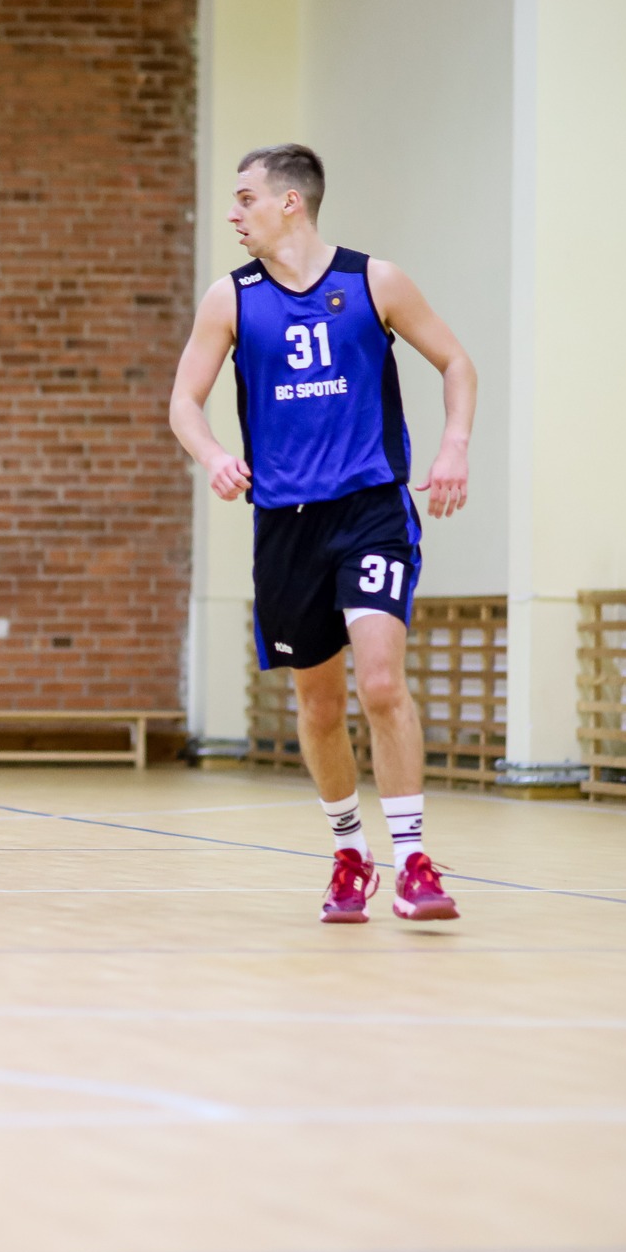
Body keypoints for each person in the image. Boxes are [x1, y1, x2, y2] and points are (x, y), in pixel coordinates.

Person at [170, 143, 475, 924]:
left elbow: (456, 362)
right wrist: (214, 456)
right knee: (318, 702)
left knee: (381, 682)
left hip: (370, 509)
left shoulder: (375, 281)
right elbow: (183, 401)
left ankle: (413, 860)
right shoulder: (230, 297)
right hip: (286, 523)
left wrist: (453, 446)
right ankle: (349, 853)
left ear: (290, 203)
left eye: (245, 199)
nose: (233, 214)